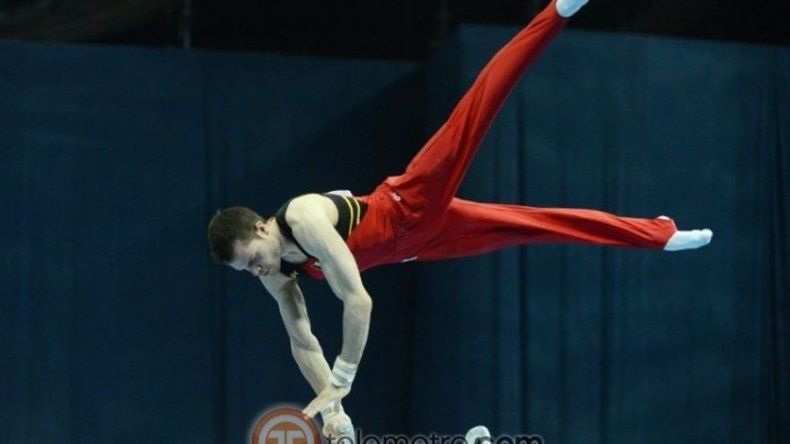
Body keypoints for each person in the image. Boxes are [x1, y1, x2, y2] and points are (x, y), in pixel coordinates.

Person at [207, 0, 712, 440]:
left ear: (259, 229)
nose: (257, 272)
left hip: (410, 202)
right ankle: (657, 233)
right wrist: (333, 407)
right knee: (532, 225)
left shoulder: (301, 215)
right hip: (420, 245)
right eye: (246, 271)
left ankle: (556, 10)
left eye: (253, 260)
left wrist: (344, 373)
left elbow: (357, 298)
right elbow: (301, 339)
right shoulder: (275, 270)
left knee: (478, 105)